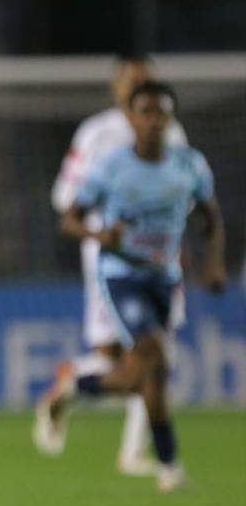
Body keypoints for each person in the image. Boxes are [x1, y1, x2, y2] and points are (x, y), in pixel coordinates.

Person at [35, 81, 225, 492]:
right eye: (146, 113)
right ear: (132, 118)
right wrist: (100, 237)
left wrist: (213, 263)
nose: (154, 121)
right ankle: (169, 467)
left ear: (171, 118)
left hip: (164, 276)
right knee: (153, 358)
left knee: (150, 375)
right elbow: (69, 218)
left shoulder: (189, 164)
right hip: (121, 275)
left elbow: (210, 215)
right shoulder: (110, 167)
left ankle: (76, 386)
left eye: (162, 113)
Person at [44, 54, 189, 476]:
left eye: (144, 80)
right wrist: (104, 226)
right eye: (130, 80)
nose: (137, 87)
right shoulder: (96, 134)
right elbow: (64, 198)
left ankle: (128, 447)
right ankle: (76, 385)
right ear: (116, 86)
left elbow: (186, 190)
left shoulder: (172, 132)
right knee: (129, 357)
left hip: (162, 261)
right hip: (109, 262)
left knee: (152, 358)